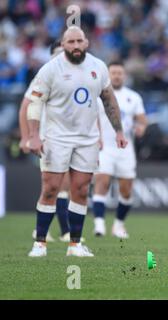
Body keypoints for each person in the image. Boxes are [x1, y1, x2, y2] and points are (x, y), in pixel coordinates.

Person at [27, 26, 127, 257]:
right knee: (51, 188)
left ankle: (75, 245)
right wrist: (33, 135)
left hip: (87, 139)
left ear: (86, 43)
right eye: (70, 42)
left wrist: (119, 131)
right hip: (56, 137)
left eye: (78, 41)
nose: (74, 46)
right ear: (63, 45)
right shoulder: (50, 69)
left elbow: (109, 100)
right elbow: (35, 102)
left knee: (81, 190)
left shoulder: (98, 67)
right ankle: (40, 243)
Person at [19, 39, 75, 243]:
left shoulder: (75, 77)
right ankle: (62, 232)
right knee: (54, 186)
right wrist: (27, 137)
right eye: (59, 52)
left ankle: (50, 231)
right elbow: (26, 106)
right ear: (52, 55)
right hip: (47, 138)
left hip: (70, 138)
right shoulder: (43, 76)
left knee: (61, 186)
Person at [92, 61, 148, 239]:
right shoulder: (99, 95)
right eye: (113, 73)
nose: (116, 76)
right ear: (108, 75)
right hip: (105, 147)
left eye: (119, 73)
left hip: (125, 149)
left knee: (126, 189)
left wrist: (141, 128)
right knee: (102, 182)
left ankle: (118, 225)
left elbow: (142, 120)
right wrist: (96, 137)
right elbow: (92, 118)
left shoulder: (133, 97)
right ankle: (99, 225)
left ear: (124, 76)